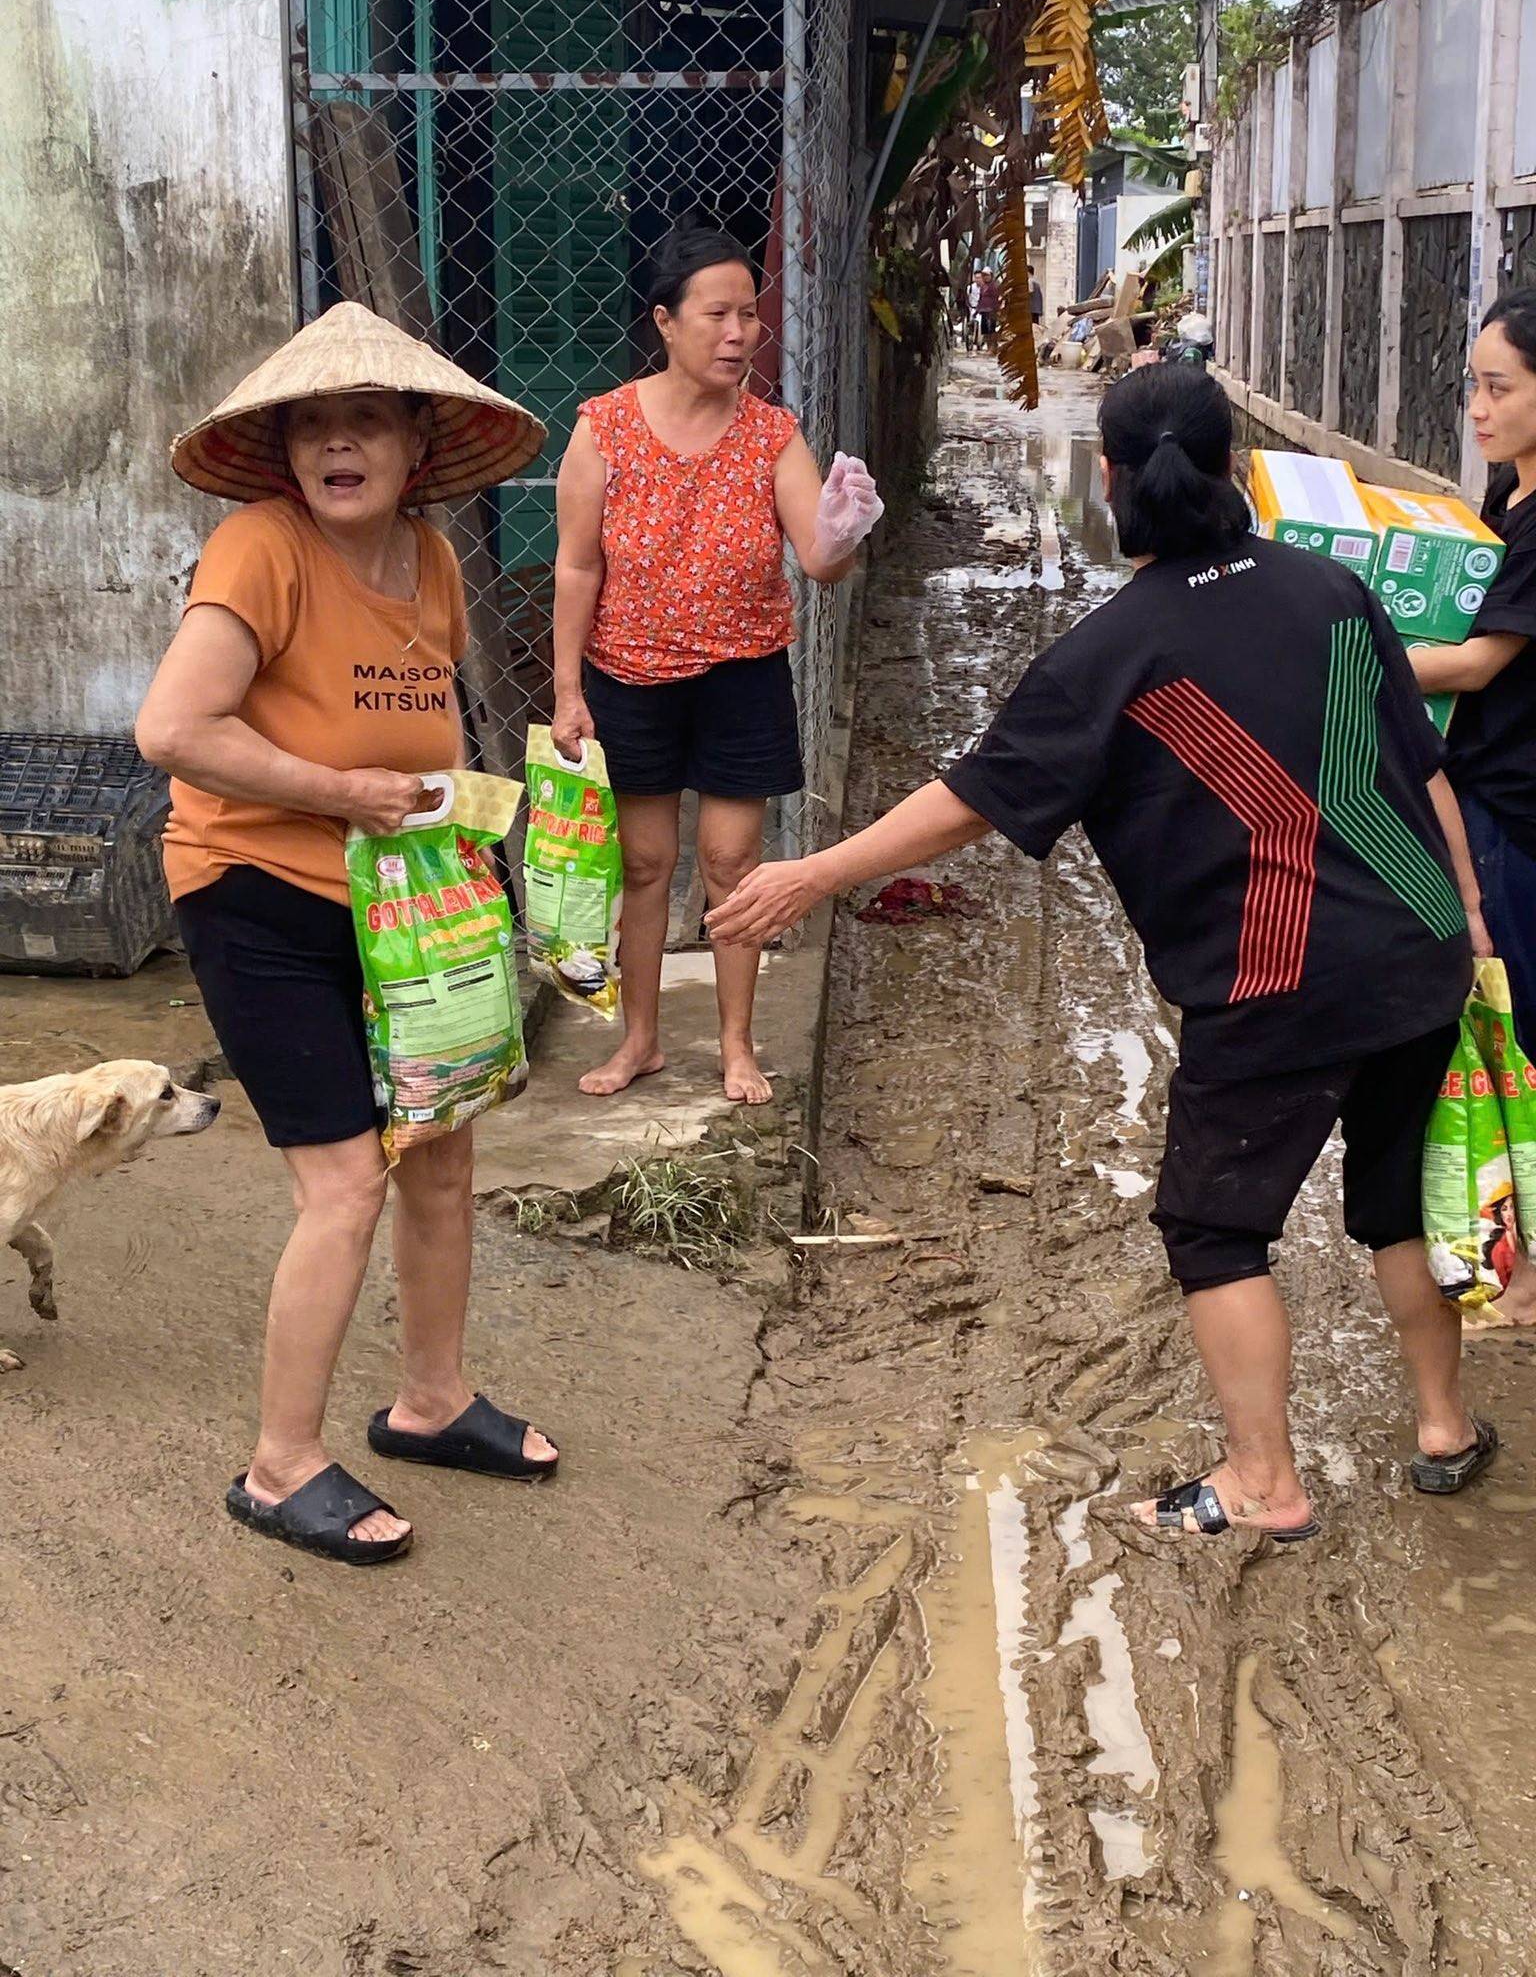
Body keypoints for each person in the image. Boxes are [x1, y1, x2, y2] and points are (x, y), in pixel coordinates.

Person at [709, 363, 1498, 1540]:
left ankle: (1263, 1481)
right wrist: (1473, 932)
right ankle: (1443, 1423)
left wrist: (814, 871)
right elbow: (1426, 773)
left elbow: (971, 799)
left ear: (1115, 480)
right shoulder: (1336, 589)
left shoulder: (1107, 655)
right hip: (1419, 951)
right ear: (1235, 470)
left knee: (1216, 1229)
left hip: (1269, 985)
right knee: (1396, 1201)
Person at [135, 303, 559, 1566]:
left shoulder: (432, 562)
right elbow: (174, 730)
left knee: (439, 1156)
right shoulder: (259, 551)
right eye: (312, 424)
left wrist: (476, 826)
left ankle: (430, 1400)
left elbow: (418, 734)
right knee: (344, 1183)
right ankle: (280, 1465)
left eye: (364, 419)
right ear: (281, 455)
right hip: (256, 892)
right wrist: (340, 794)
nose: (337, 443)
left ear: (416, 444)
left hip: (407, 897)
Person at [550, 223, 884, 1103]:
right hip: (629, 673)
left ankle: (737, 1046)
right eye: (718, 316)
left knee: (734, 862)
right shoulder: (604, 429)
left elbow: (818, 560)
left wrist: (845, 530)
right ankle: (641, 1041)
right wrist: (566, 689)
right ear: (665, 320)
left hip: (742, 676)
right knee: (646, 862)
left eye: (749, 318)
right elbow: (578, 564)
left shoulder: (774, 434)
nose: (739, 334)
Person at [1412, 287, 1536, 1322]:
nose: (1478, 408)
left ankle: (1527, 1263)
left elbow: (1484, 660)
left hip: (1514, 815)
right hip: (1489, 798)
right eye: (1472, 387)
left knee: (1518, 1028)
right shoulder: (1506, 499)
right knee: (1498, 1019)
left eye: (1499, 387)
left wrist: (1363, 656)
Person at [977, 268, 1000, 352]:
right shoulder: (983, 286)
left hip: (991, 310)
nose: (986, 277)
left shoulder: (994, 286)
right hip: (983, 310)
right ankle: (988, 346)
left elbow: (996, 298)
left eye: (987, 275)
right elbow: (980, 298)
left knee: (991, 329)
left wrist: (996, 309)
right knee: (985, 329)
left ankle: (993, 347)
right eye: (984, 276)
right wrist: (978, 309)